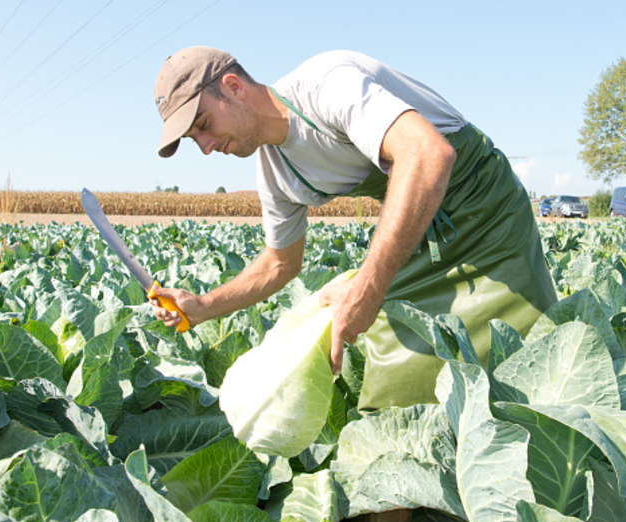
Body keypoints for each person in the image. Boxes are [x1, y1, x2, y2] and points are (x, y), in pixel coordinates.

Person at [150, 46, 557, 411]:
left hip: (486, 210)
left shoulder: (326, 84)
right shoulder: (276, 173)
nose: (204, 146)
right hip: (417, 227)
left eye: (202, 123)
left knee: (535, 364)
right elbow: (279, 264)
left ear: (234, 86)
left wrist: (366, 288)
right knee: (397, 393)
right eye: (192, 139)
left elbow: (428, 155)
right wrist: (205, 307)